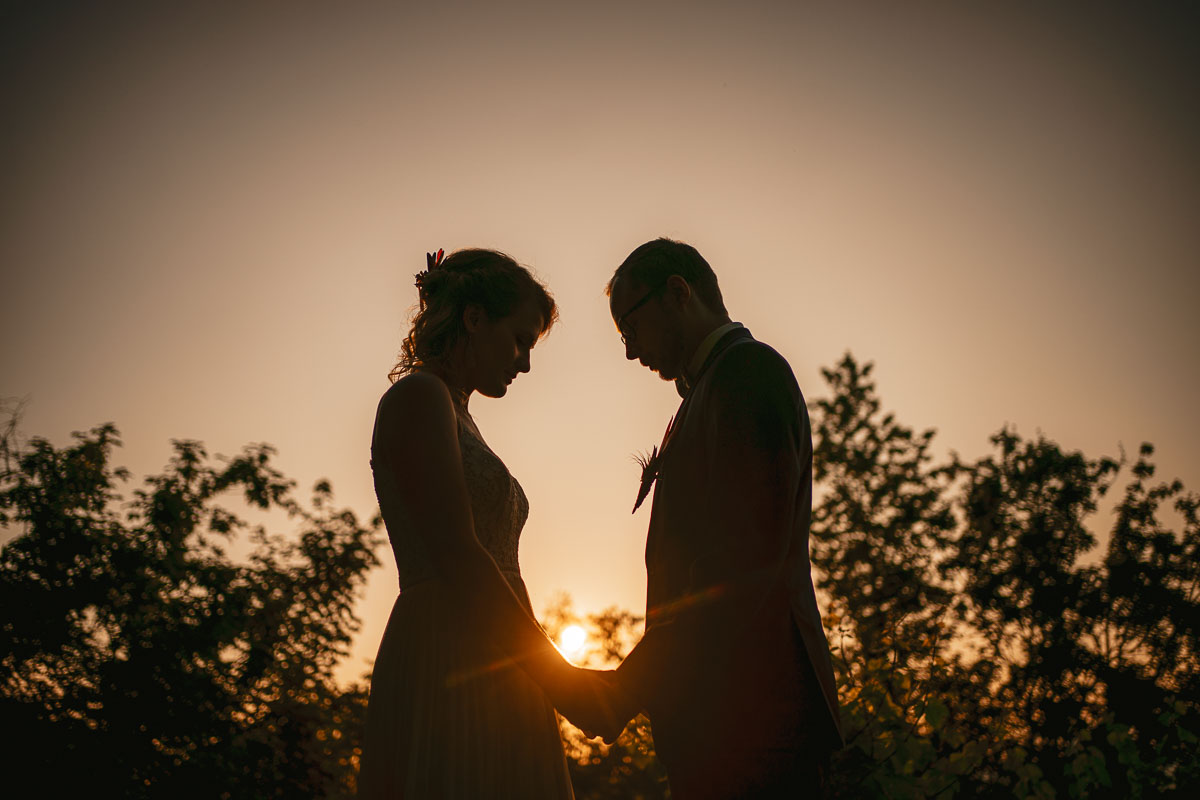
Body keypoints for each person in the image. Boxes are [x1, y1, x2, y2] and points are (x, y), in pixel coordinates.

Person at [358, 248, 619, 799]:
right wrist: (560, 681)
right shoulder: (418, 396)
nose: (524, 362)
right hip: (449, 650)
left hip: (499, 651)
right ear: (474, 318)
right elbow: (457, 553)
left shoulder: (458, 414)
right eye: (520, 338)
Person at [601, 238, 844, 799]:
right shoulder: (706, 392)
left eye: (629, 329)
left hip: (755, 714)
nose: (631, 353)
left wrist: (629, 686)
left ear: (678, 293)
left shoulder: (748, 373)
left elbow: (742, 563)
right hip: (718, 719)